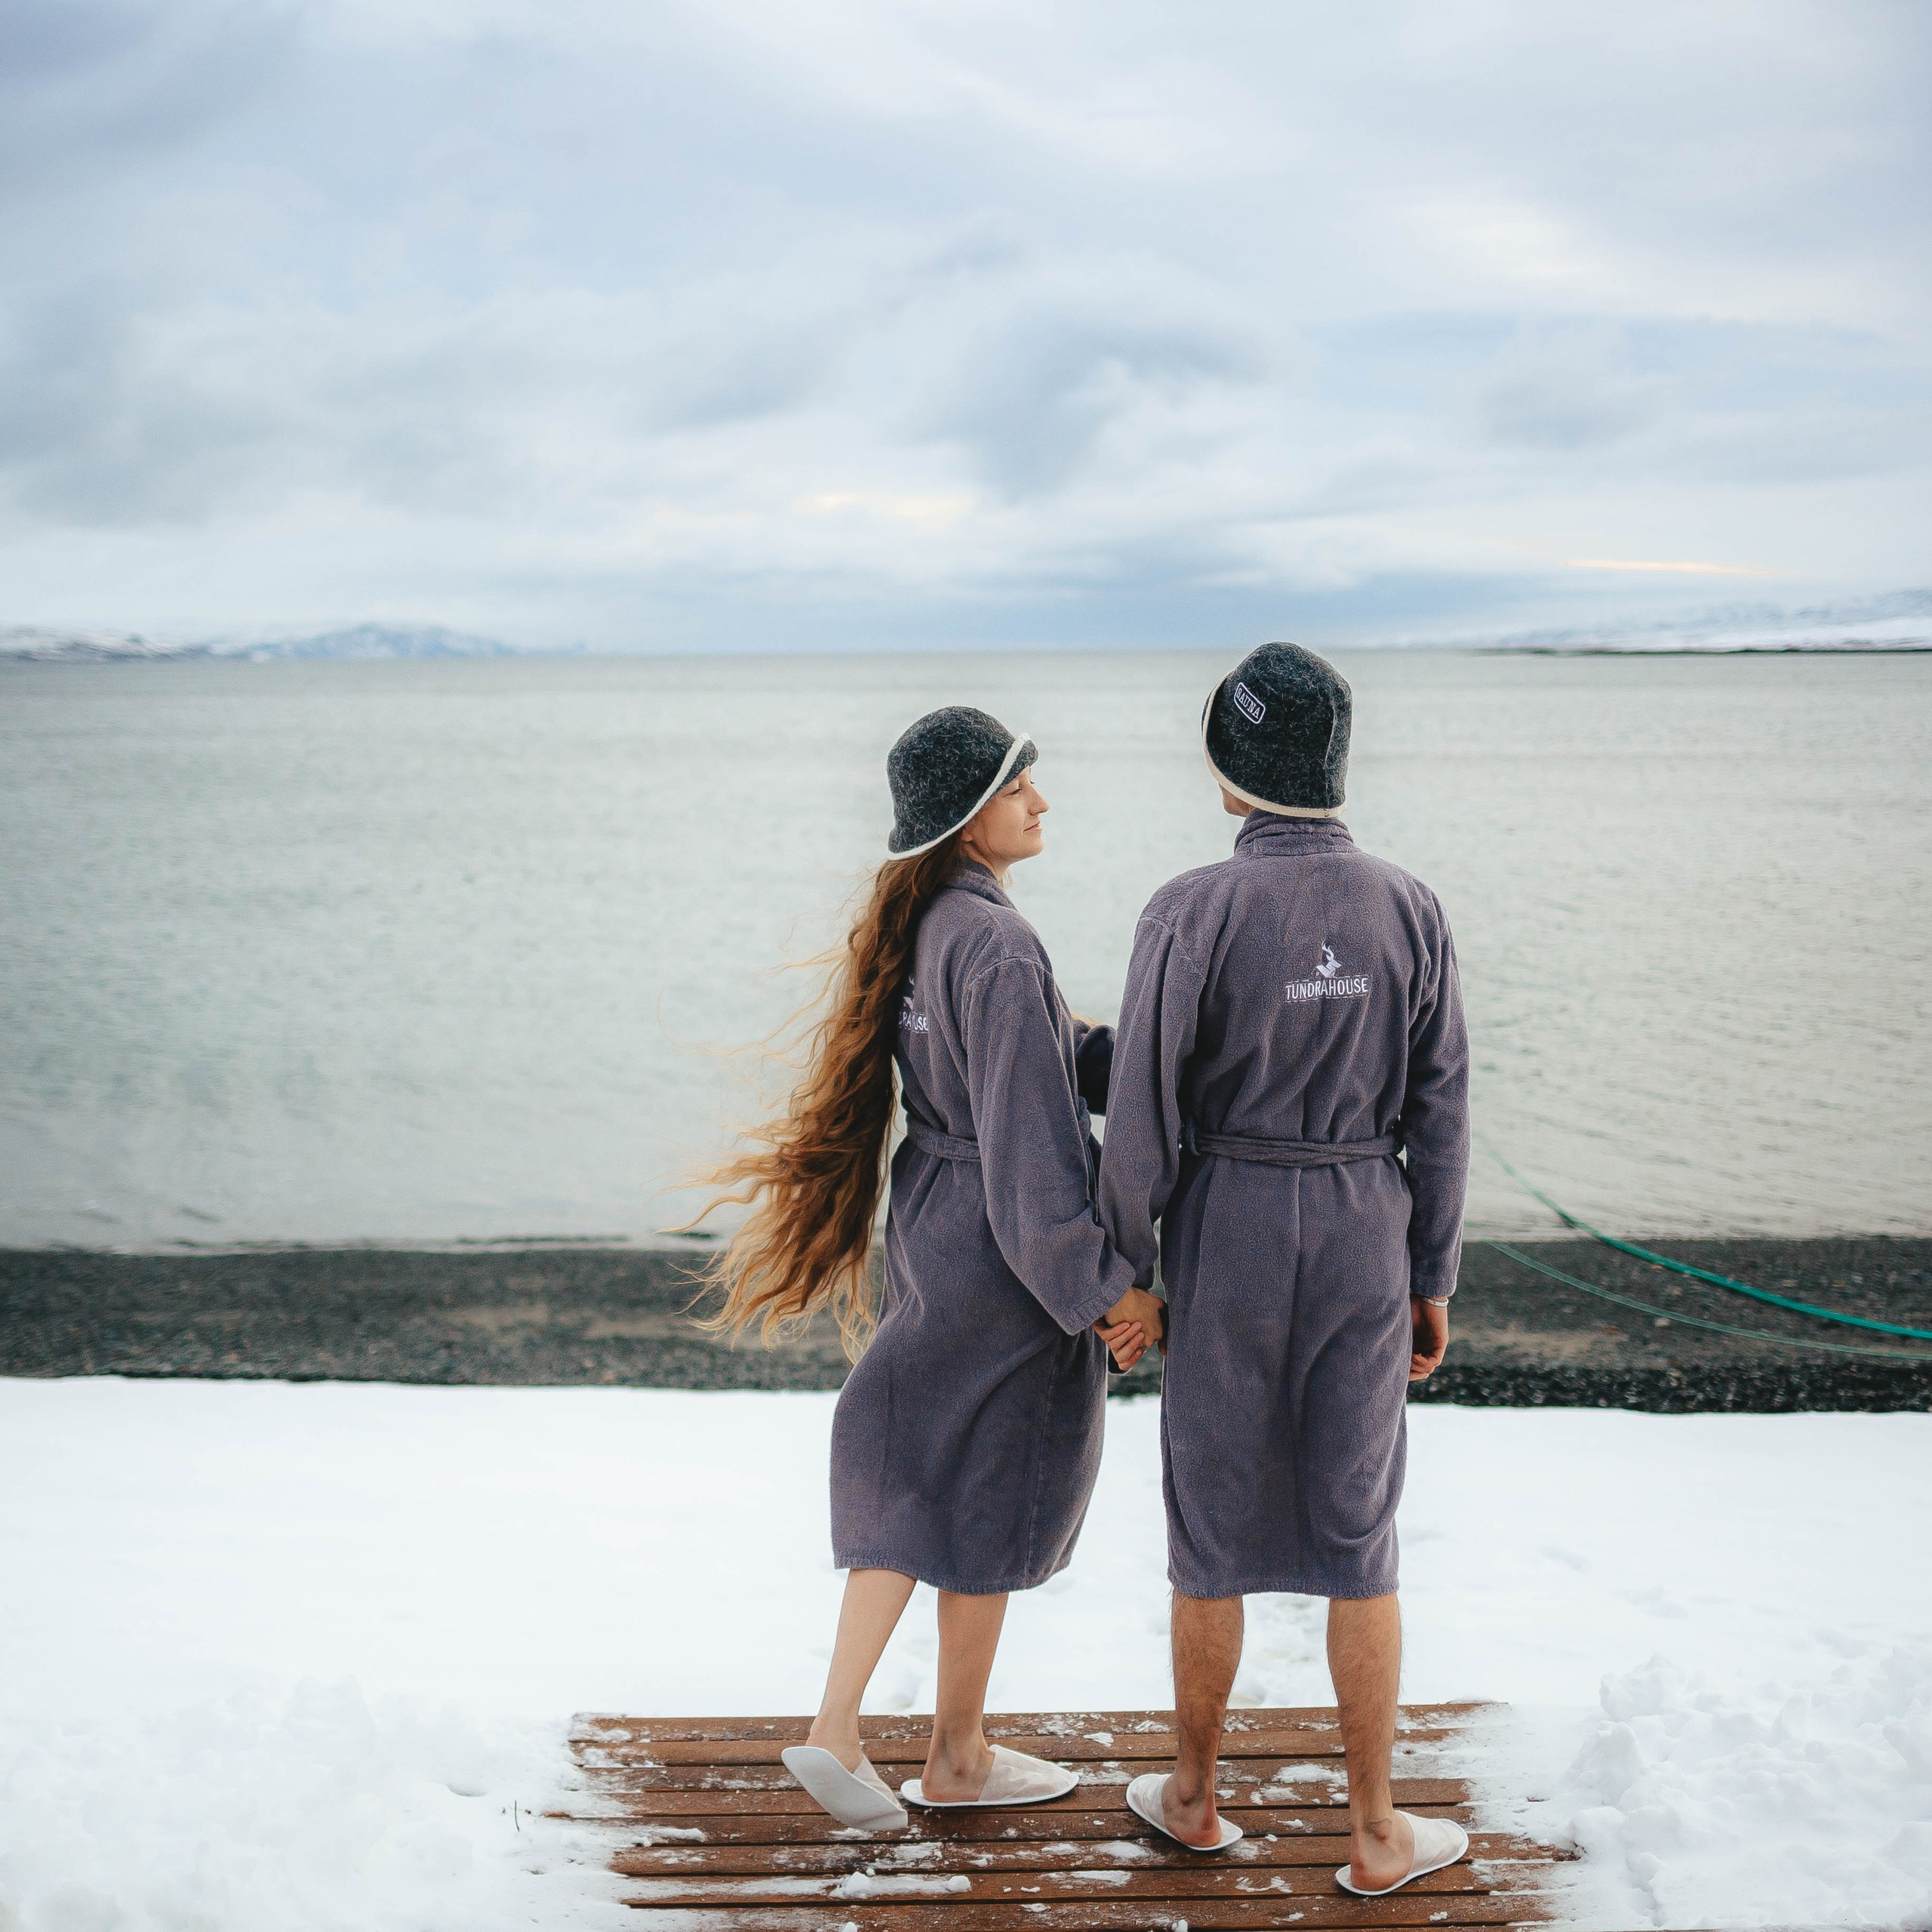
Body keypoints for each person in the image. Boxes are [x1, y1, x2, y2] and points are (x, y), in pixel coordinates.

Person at [697, 705, 1165, 1832]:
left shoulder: (934, 924)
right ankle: (902, 1743)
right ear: (967, 819)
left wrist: (1173, 1048)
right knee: (985, 1481)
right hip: (1006, 1249)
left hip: (936, 1219)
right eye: (1019, 788)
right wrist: (1107, 1292)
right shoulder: (996, 941)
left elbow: (1056, 1063)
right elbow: (1030, 1151)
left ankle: (897, 1737)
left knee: (927, 1463)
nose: (1041, 803)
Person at [1096, 642, 1471, 1898]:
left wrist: (1127, 1271)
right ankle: (1375, 1832)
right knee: (1358, 1531)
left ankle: (1196, 1799)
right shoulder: (1410, 905)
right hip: (1368, 1223)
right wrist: (1434, 1271)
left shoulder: (1190, 908)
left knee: (1210, 1529)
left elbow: (1141, 1113)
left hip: (1231, 1229)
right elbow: (1444, 1106)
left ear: (1229, 767)